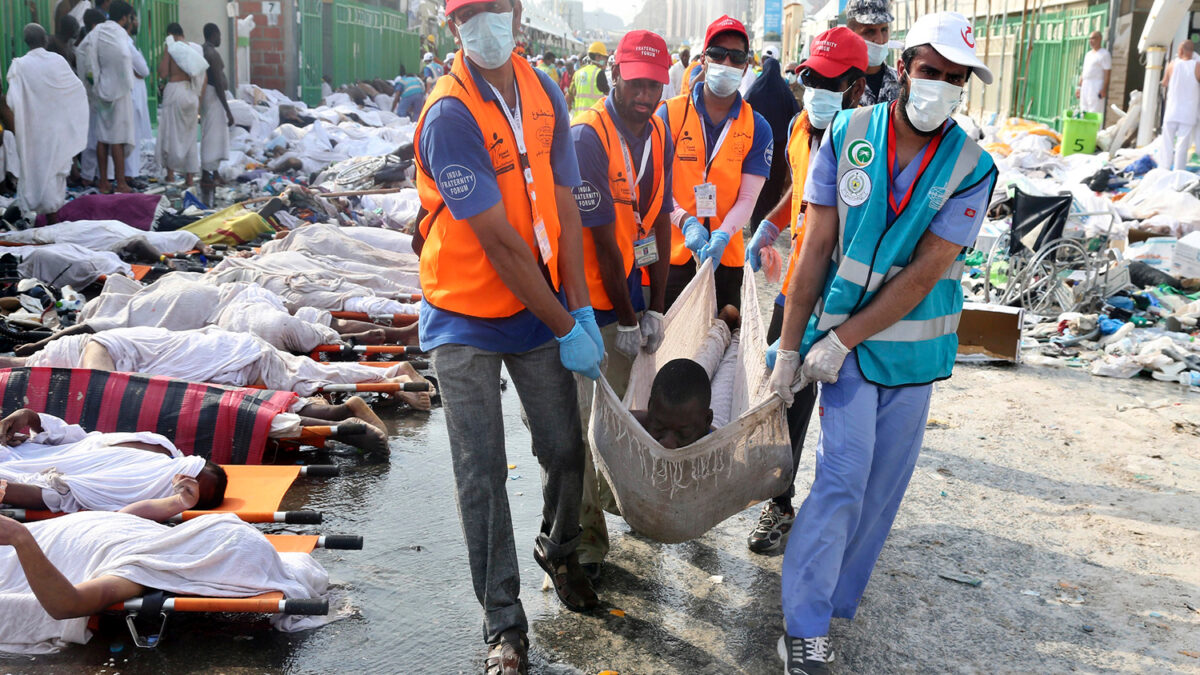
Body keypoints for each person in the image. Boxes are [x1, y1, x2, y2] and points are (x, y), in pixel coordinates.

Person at [769, 13, 997, 673]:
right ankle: (805, 625)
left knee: (879, 491)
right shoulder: (847, 134)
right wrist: (791, 346)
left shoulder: (973, 168)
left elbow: (929, 270)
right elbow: (813, 245)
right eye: (931, 73)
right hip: (850, 349)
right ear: (902, 69)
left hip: (910, 351)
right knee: (841, 476)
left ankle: (835, 601)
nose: (941, 88)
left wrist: (840, 339)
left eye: (956, 80)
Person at [414, 0, 605, 670]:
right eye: (470, 14)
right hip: (463, 311)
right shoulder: (449, 113)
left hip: (538, 306)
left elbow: (566, 207)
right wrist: (564, 322)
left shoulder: (544, 89)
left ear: (517, 14)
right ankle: (503, 623)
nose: (485, 25)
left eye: (495, 8)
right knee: (482, 470)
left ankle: (558, 546)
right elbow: (498, 241)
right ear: (453, 27)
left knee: (562, 446)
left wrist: (578, 307)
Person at [744, 26, 867, 555]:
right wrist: (770, 225)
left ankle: (836, 521)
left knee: (842, 416)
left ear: (857, 88)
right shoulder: (799, 125)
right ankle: (781, 503)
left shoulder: (869, 143)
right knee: (785, 395)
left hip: (846, 297)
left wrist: (826, 317)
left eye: (831, 82)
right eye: (811, 78)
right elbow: (801, 187)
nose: (817, 90)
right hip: (796, 287)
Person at [570, 29, 673, 581]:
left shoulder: (658, 132)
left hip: (630, 297)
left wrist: (656, 304)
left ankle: (614, 505)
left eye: (655, 82)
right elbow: (606, 241)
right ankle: (585, 543)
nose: (645, 92)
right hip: (588, 305)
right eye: (636, 79)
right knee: (587, 428)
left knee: (622, 418)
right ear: (615, 73)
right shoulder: (588, 136)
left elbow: (655, 218)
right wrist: (629, 320)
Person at [0, 510, 328, 653]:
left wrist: (20, 537)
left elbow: (65, 605)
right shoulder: (162, 538)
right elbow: (129, 513)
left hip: (26, 550)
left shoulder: (142, 570)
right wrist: (175, 504)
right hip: (75, 529)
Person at [13, 325, 434, 410]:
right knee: (310, 375)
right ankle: (394, 374)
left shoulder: (97, 348)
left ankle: (393, 376)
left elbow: (96, 385)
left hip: (234, 358)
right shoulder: (113, 342)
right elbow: (20, 365)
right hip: (231, 350)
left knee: (309, 378)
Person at [656, 15, 773, 310]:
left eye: (736, 58)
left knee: (721, 344)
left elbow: (748, 198)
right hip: (673, 254)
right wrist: (684, 220)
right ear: (704, 59)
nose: (727, 64)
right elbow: (656, 188)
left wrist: (724, 232)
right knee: (669, 347)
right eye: (718, 55)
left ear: (747, 66)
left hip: (726, 256)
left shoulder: (757, 127)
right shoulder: (669, 115)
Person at [0, 407, 227, 518]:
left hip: (12, 469)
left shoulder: (140, 491)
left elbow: (59, 494)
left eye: (191, 489)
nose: (186, 481)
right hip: (21, 447)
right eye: (194, 475)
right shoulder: (159, 446)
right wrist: (29, 417)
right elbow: (82, 439)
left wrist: (4, 487)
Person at [4, 24, 89, 221]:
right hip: (55, 126)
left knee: (36, 169)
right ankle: (51, 220)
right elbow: (76, 89)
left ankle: (41, 218)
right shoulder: (57, 61)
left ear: (26, 42)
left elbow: (11, 101)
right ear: (45, 40)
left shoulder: (20, 65)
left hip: (33, 128)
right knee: (53, 172)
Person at [86, 0, 137, 194]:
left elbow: (90, 58)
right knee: (117, 138)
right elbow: (125, 58)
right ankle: (121, 183)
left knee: (102, 137)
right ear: (124, 18)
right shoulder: (120, 33)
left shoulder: (98, 31)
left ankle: (103, 183)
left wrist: (97, 83)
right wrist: (126, 83)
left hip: (101, 88)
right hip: (120, 90)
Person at [745, 54, 800, 225]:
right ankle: (769, 223)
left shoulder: (755, 90)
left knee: (757, 188)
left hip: (757, 148)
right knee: (773, 188)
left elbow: (743, 111)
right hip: (778, 151)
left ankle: (755, 224)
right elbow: (796, 116)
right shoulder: (785, 92)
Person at [155, 23, 204, 188]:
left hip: (175, 92)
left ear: (171, 34)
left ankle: (170, 175)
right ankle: (189, 178)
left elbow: (162, 73)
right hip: (190, 94)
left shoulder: (172, 48)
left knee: (171, 134)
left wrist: (165, 52)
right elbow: (201, 76)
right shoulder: (193, 49)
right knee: (189, 137)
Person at [632, 358, 713, 449]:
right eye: (658, 427)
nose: (667, 444)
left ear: (708, 421)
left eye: (683, 433)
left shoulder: (719, 459)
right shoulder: (623, 427)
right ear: (649, 407)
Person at [200, 23, 234, 204]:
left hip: (212, 97)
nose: (221, 39)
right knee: (211, 136)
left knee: (216, 135)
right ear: (214, 34)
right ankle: (206, 175)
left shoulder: (207, 50)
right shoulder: (211, 52)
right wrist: (228, 111)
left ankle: (214, 173)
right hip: (214, 97)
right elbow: (219, 83)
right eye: (219, 35)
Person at [846, 0, 899, 106]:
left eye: (884, 30)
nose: (879, 40)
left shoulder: (901, 81)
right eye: (870, 31)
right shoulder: (840, 85)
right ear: (851, 34)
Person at [1159, 40, 1199, 172]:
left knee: (1167, 141)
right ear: (1192, 52)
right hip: (1188, 111)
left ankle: (1164, 167)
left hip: (1172, 109)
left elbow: (1164, 82)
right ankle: (1178, 170)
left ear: (1181, 51)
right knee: (1183, 143)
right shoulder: (1197, 65)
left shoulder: (1172, 64)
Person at [570, 41, 610, 120]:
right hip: (593, 120)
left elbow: (569, 95)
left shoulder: (577, 73)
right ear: (597, 57)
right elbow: (608, 95)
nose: (605, 60)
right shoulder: (599, 73)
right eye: (604, 57)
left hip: (578, 119)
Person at [1076, 30, 1112, 116]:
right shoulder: (1088, 54)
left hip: (1096, 85)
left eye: (1093, 39)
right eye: (1089, 39)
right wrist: (1079, 87)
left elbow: (1107, 72)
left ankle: (1095, 129)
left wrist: (1104, 89)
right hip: (1086, 84)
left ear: (1099, 39)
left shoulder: (1104, 54)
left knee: (1094, 110)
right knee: (1083, 109)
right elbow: (1084, 71)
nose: (1091, 41)